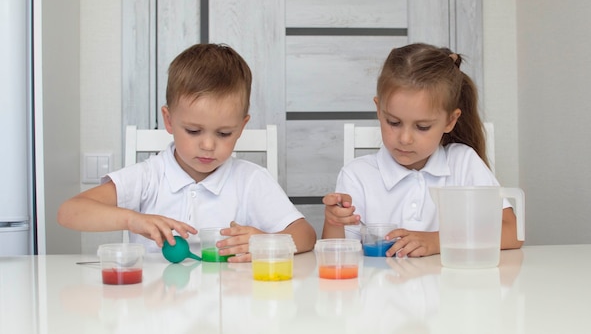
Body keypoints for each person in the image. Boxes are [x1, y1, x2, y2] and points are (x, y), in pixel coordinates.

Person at [58, 43, 316, 261]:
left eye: (224, 133)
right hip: (155, 307)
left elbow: (306, 235)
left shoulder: (250, 180)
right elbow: (70, 212)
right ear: (169, 121)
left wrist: (265, 242)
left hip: (230, 309)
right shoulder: (150, 176)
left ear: (241, 128)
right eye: (193, 131)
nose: (207, 145)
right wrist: (131, 219)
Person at [321, 42, 523, 257]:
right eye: (393, 122)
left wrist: (438, 241)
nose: (405, 139)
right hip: (379, 289)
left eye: (422, 127)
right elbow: (337, 256)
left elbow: (512, 233)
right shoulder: (357, 175)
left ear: (450, 121)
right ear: (379, 111)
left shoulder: (463, 163)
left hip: (449, 288)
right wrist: (334, 221)